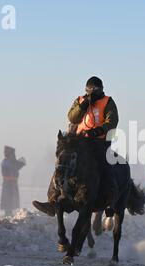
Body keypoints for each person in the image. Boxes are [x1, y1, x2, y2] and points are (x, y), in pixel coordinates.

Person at [32, 76, 119, 216]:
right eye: (89, 91)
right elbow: (72, 117)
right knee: (63, 161)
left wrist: (98, 130)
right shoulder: (80, 100)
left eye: (94, 91)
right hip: (79, 140)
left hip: (99, 140)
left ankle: (110, 199)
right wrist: (83, 105)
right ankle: (53, 200)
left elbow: (112, 121)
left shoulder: (108, 101)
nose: (92, 93)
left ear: (101, 90)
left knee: (105, 164)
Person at [0, 146, 26, 215]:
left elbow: (15, 166)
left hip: (12, 183)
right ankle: (7, 214)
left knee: (12, 200)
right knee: (8, 199)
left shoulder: (10, 161)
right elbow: (14, 167)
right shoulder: (6, 161)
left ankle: (9, 213)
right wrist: (20, 163)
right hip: (8, 183)